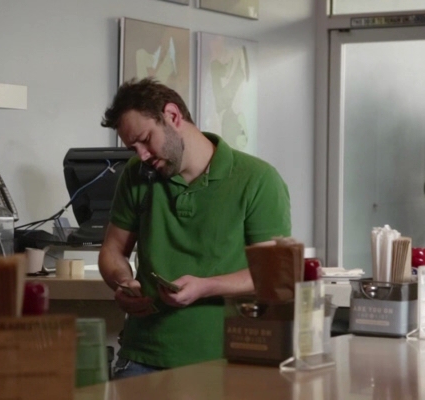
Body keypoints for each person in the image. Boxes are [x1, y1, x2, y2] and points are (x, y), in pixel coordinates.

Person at [98, 78, 291, 379]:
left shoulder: (258, 179)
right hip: (141, 356)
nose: (142, 155)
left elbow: (274, 273)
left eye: (145, 139)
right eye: (133, 147)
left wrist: (206, 287)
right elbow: (112, 250)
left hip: (227, 359)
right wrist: (122, 282)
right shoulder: (136, 174)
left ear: (173, 116)